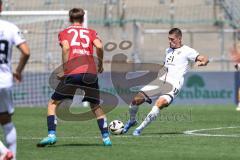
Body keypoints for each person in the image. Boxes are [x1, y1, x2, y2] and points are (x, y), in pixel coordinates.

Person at [37, 8, 112, 147]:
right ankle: (106, 138)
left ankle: (51, 135)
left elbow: (66, 48)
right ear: (83, 19)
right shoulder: (91, 32)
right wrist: (100, 64)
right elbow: (100, 46)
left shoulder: (64, 33)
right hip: (90, 72)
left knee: (53, 103)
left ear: (70, 19)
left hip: (73, 71)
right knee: (95, 105)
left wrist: (66, 69)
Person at [122, 28, 209, 136]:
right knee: (135, 100)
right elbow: (165, 67)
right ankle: (132, 121)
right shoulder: (167, 50)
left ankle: (139, 129)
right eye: (169, 39)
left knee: (159, 103)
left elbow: (204, 58)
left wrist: (202, 63)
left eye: (172, 39)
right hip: (161, 81)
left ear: (179, 39)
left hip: (174, 85)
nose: (170, 41)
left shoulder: (188, 51)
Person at [0, 0, 30, 159]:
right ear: (1, 7)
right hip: (5, 81)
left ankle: (5, 153)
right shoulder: (10, 27)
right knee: (6, 121)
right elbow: (26, 52)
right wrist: (18, 71)